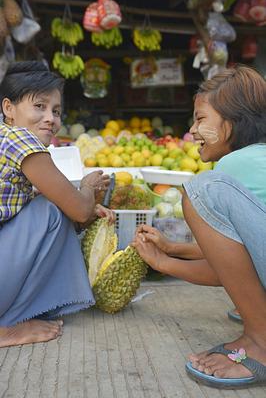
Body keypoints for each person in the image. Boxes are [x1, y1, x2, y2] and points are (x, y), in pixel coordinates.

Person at [133, 65, 266, 388]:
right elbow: (242, 260)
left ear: (233, 122)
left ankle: (261, 343)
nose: (192, 130)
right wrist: (174, 248)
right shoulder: (255, 159)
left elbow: (225, 272)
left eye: (201, 118)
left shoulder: (234, 165)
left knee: (201, 189)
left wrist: (163, 263)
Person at [0, 61, 115, 348]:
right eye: (39, 106)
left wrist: (81, 205)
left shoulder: (6, 139)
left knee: (48, 205)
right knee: (50, 210)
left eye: (56, 110)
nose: (51, 118)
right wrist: (87, 188)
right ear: (8, 109)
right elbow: (76, 209)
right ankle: (6, 327)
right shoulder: (19, 140)